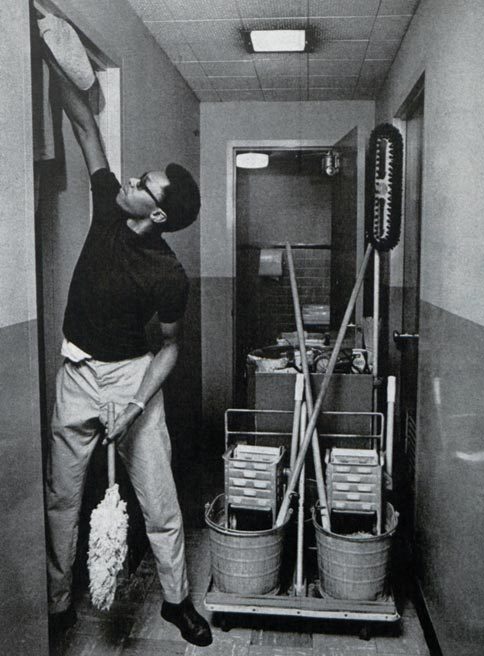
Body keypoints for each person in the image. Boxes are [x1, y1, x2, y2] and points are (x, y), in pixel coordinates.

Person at [43, 53, 212, 648]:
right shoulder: (108, 209)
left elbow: (169, 350)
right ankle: (59, 603)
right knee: (62, 497)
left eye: (145, 185)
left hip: (133, 381)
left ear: (158, 214)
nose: (132, 181)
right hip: (77, 373)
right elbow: (86, 126)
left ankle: (176, 602)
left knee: (159, 502)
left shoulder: (169, 275)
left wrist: (136, 405)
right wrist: (55, 56)